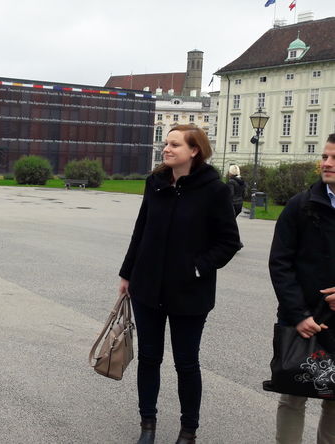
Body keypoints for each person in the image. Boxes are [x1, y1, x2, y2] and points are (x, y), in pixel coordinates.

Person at [118, 125, 241, 444]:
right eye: (166, 143)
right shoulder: (155, 182)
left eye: (175, 144)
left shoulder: (215, 190)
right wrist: (127, 272)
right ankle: (148, 424)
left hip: (190, 294)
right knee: (149, 358)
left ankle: (189, 430)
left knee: (187, 363)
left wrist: (197, 268)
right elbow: (140, 229)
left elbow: (229, 242)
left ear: (194, 150)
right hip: (147, 288)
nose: (166, 148)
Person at [270, 134, 335, 443]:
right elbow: (279, 263)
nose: (327, 163)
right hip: (301, 319)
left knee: (334, 399)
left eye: (334, 158)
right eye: (324, 157)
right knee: (293, 395)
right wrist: (298, 314)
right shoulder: (301, 205)